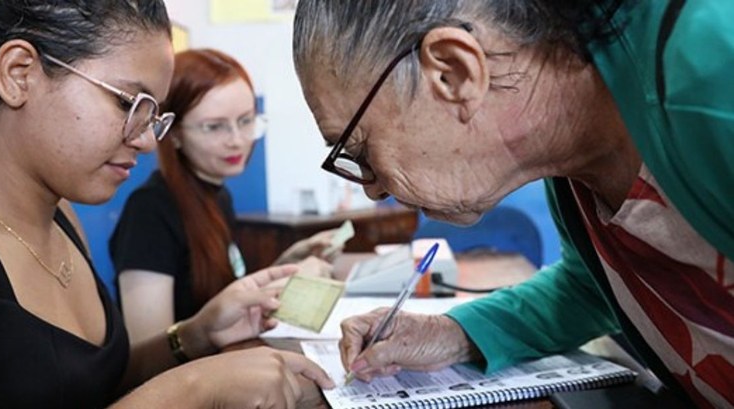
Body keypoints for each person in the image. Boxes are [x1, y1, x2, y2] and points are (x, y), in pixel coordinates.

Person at [291, 1, 733, 408]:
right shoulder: (570, 163)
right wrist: (452, 334)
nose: (372, 190)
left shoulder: (713, 73)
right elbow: (596, 288)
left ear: (453, 72)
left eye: (359, 149)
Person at [0, 1, 332, 408]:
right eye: (128, 103)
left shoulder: (63, 219)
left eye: (153, 115)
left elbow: (96, 385)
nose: (147, 141)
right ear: (18, 74)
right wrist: (194, 386)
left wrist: (196, 334)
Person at [109, 48, 341, 346]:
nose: (237, 140)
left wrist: (287, 263)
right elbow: (148, 349)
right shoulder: (149, 211)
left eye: (245, 121)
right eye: (215, 127)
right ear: (175, 133)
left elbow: (222, 296)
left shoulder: (218, 196)